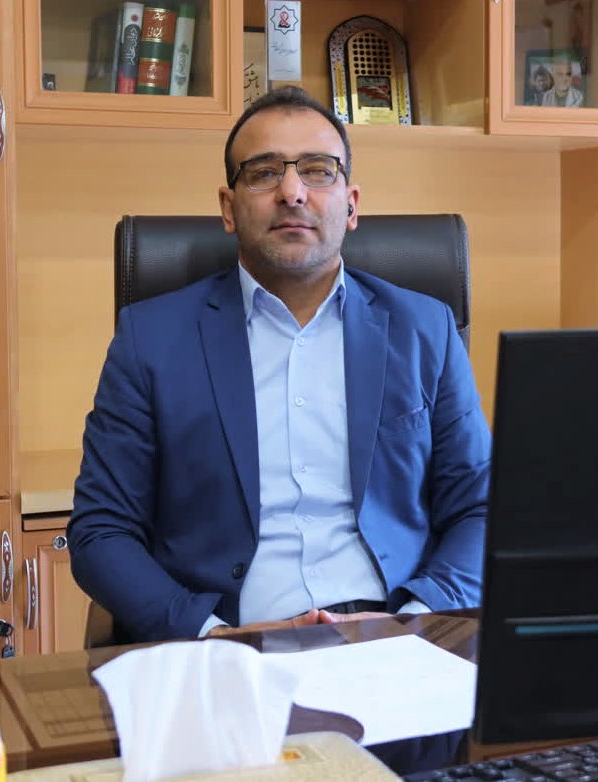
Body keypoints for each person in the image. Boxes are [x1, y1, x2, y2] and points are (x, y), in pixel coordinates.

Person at [67, 86, 491, 643]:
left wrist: (413, 618)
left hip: (394, 636)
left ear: (351, 204)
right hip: (229, 645)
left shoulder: (424, 329)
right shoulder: (150, 339)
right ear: (228, 207)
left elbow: (481, 508)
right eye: (264, 173)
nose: (292, 192)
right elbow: (101, 532)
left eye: (318, 171)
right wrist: (211, 635)